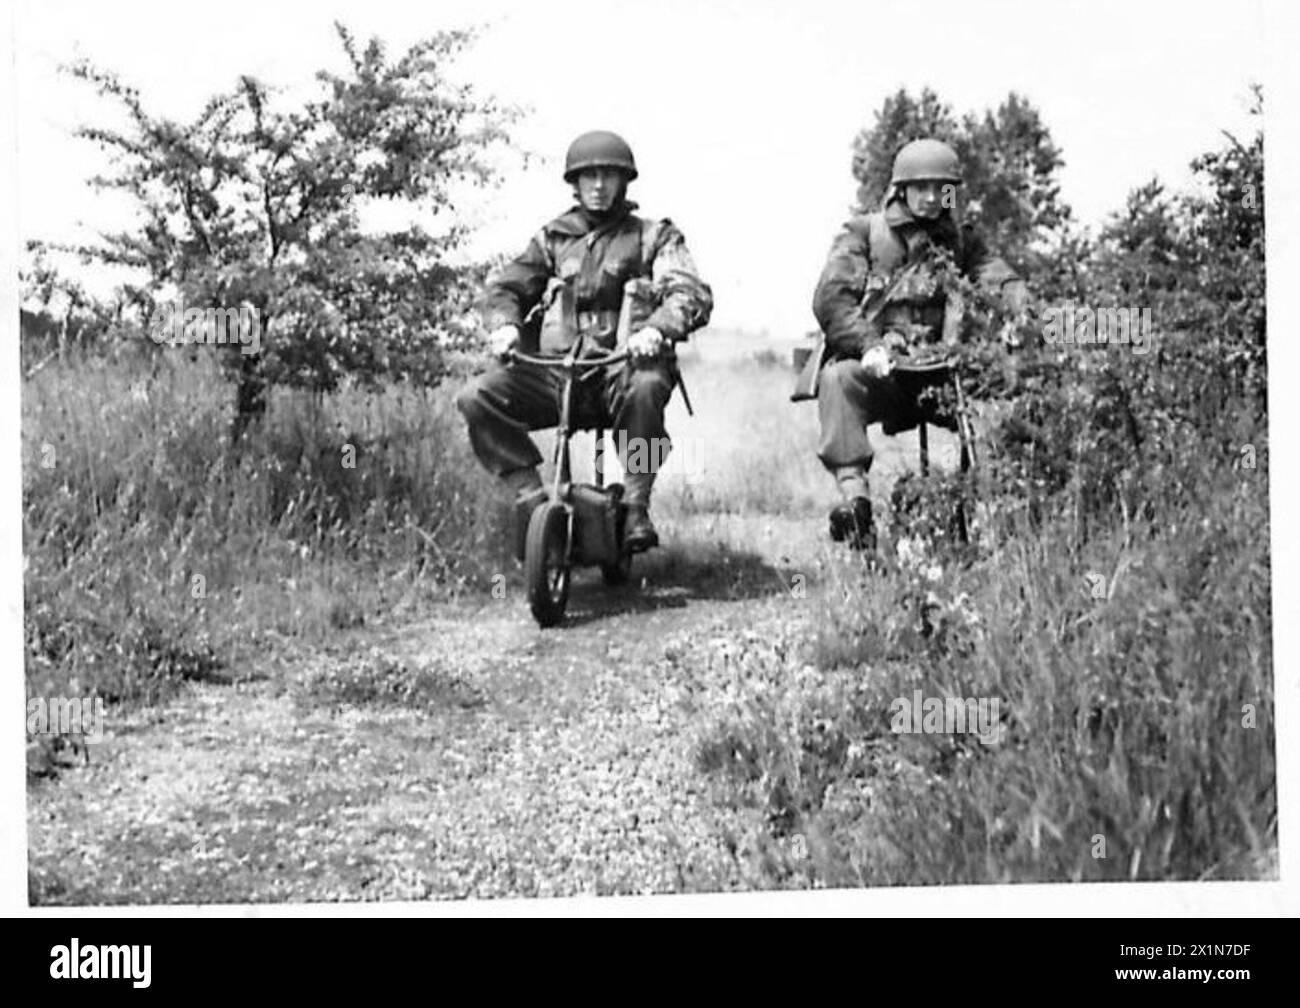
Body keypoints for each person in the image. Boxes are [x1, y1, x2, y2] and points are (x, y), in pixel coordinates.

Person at [456, 130, 713, 554]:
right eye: (588, 176)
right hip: (557, 373)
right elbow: (506, 288)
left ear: (623, 181)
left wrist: (658, 329)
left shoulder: (654, 237)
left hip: (622, 367)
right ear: (574, 184)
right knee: (476, 396)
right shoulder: (553, 238)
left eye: (608, 176)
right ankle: (530, 496)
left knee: (648, 388)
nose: (598, 186)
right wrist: (504, 325)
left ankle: (635, 505)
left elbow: (689, 292)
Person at [810, 137, 1027, 549]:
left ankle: (1001, 514)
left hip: (944, 378)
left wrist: (1020, 316)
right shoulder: (864, 234)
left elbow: (1001, 280)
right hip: (884, 372)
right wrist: (868, 345)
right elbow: (832, 298)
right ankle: (855, 504)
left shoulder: (964, 242)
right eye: (920, 187)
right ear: (900, 189)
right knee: (838, 379)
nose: (931, 198)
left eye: (940, 188)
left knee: (1012, 387)